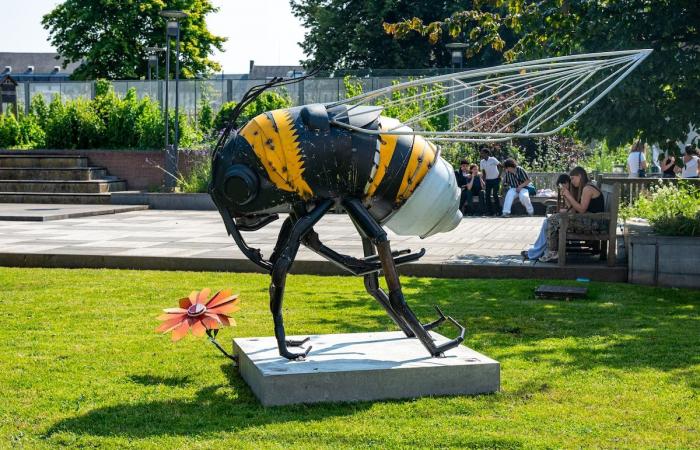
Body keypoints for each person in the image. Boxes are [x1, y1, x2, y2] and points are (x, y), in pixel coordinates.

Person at [523, 166, 606, 262]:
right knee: (552, 219)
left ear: (579, 176)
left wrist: (569, 196)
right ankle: (549, 251)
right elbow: (575, 208)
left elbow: (582, 210)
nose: (572, 181)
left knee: (552, 220)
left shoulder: (587, 188)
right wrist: (566, 197)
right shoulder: (586, 187)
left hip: (593, 222)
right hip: (589, 219)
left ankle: (551, 252)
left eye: (572, 178)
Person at [479, 147, 501, 216]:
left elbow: (501, 166)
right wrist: (484, 181)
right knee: (487, 196)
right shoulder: (482, 162)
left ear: (487, 153)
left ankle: (498, 211)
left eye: (483, 153)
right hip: (488, 180)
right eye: (481, 153)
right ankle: (490, 212)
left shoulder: (493, 159)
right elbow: (484, 172)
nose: (481, 154)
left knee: (495, 194)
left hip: (495, 179)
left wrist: (499, 175)